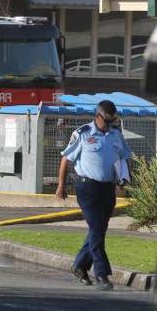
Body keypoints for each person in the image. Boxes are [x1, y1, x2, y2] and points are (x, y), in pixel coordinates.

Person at [55, 100, 132, 291]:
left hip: (107, 189)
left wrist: (124, 178)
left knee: (99, 230)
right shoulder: (82, 134)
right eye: (106, 121)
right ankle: (102, 274)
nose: (109, 125)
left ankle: (80, 266)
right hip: (87, 188)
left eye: (112, 121)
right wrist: (61, 185)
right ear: (97, 116)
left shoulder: (116, 134)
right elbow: (66, 158)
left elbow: (124, 157)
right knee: (97, 228)